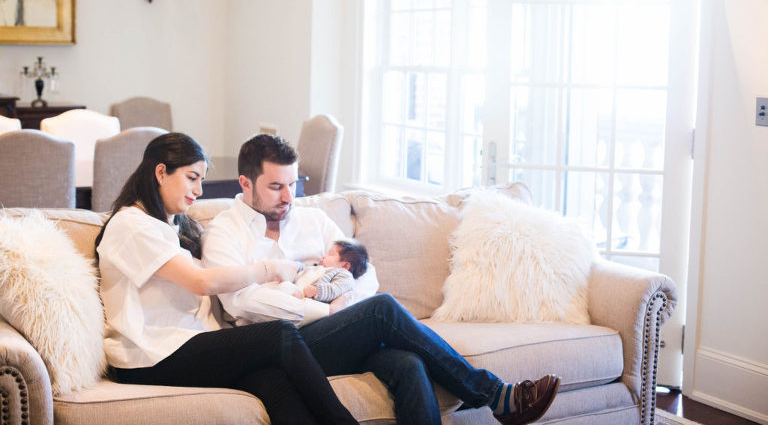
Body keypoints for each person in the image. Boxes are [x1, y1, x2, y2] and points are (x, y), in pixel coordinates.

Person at [202, 134, 561, 425]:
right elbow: (242, 302)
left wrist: (342, 306)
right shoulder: (224, 231)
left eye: (293, 185)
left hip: (334, 336)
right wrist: (323, 309)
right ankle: (494, 395)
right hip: (279, 349)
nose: (288, 197)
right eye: (276, 187)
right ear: (246, 183)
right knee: (383, 310)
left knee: (409, 364)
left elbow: (364, 272)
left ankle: (495, 398)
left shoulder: (310, 219)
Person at [94, 132, 358, 425]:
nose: (199, 190)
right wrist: (268, 269)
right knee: (279, 334)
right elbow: (201, 282)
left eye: (202, 180)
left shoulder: (170, 224)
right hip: (149, 356)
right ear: (160, 173)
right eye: (192, 177)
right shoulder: (131, 225)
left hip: (189, 343)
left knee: (271, 380)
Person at [277, 239, 368, 303]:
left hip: (309, 302)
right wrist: (288, 279)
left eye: (331, 254)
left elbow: (335, 289)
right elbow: (302, 276)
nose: (324, 256)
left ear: (345, 266)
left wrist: (316, 291)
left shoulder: (344, 274)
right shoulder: (317, 268)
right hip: (294, 290)